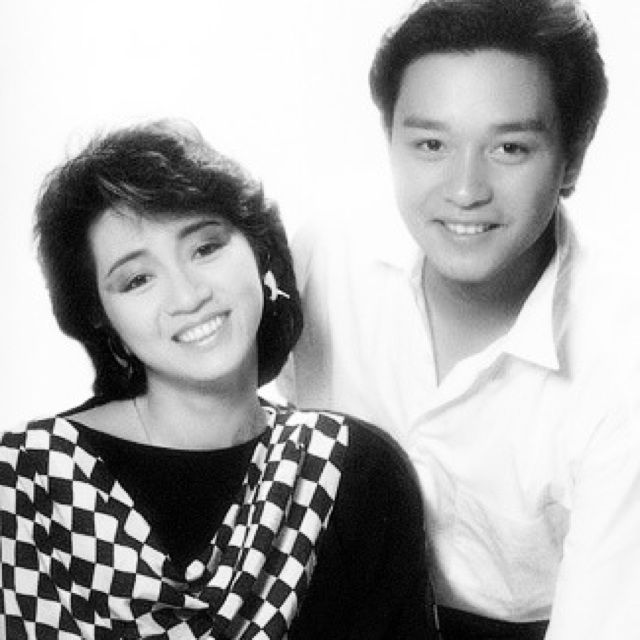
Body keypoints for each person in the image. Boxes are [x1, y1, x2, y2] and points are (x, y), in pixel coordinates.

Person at [283, 0, 640, 638]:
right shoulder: (326, 255)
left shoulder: (621, 354)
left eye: (509, 147)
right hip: (337, 607)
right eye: (431, 144)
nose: (465, 189)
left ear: (573, 159)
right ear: (390, 140)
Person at [0, 121, 435, 639]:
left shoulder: (352, 469)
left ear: (260, 251)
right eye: (137, 279)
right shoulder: (28, 480)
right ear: (101, 317)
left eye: (205, 248)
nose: (188, 296)